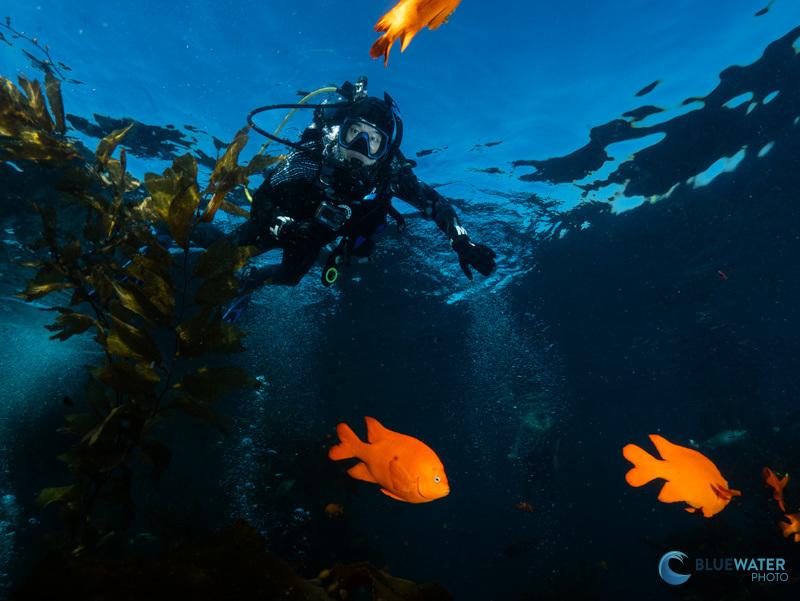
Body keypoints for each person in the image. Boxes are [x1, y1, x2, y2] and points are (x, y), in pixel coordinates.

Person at [200, 81, 496, 318]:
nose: (360, 147)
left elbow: (436, 204)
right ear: (340, 131)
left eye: (373, 141)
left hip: (315, 236)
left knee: (289, 277)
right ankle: (192, 237)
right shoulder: (313, 155)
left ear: (385, 151)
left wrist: (461, 242)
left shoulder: (389, 174)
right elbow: (264, 198)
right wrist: (284, 226)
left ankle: (249, 282)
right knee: (224, 252)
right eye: (354, 133)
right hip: (283, 219)